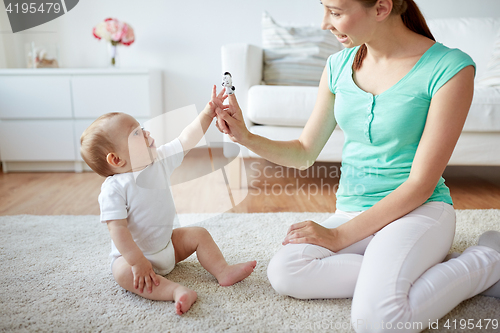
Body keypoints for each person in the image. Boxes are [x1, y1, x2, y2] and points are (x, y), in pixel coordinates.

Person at [214, 0, 500, 331]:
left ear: (381, 8)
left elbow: (421, 183)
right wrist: (245, 136)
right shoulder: (338, 65)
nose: (324, 23)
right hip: (353, 211)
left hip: (418, 211)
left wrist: (338, 236)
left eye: (335, 12)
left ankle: (488, 259)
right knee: (285, 272)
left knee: (379, 321)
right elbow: (305, 152)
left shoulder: (450, 68)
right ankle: (423, 267)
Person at [80, 86, 256, 315]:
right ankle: (175, 291)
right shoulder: (114, 189)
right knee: (122, 273)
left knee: (199, 234)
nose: (145, 133)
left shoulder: (159, 160)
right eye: (135, 134)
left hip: (167, 246)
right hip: (136, 258)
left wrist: (208, 112)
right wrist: (136, 261)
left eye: (141, 128)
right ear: (116, 159)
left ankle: (223, 270)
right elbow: (118, 230)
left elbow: (186, 139)